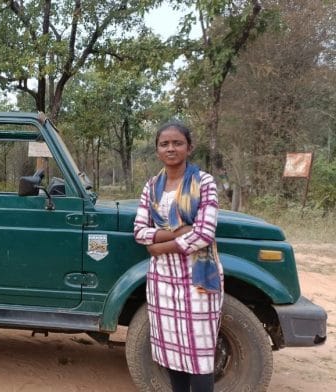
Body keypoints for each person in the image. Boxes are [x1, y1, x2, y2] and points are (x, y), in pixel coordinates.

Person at [133, 122, 224, 392]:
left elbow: (205, 233)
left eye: (177, 143)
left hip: (198, 280)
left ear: (189, 147)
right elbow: (139, 232)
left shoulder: (204, 182)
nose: (171, 148)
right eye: (165, 144)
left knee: (200, 355)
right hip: (162, 281)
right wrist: (178, 232)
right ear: (157, 150)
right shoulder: (152, 187)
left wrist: (160, 244)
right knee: (172, 353)